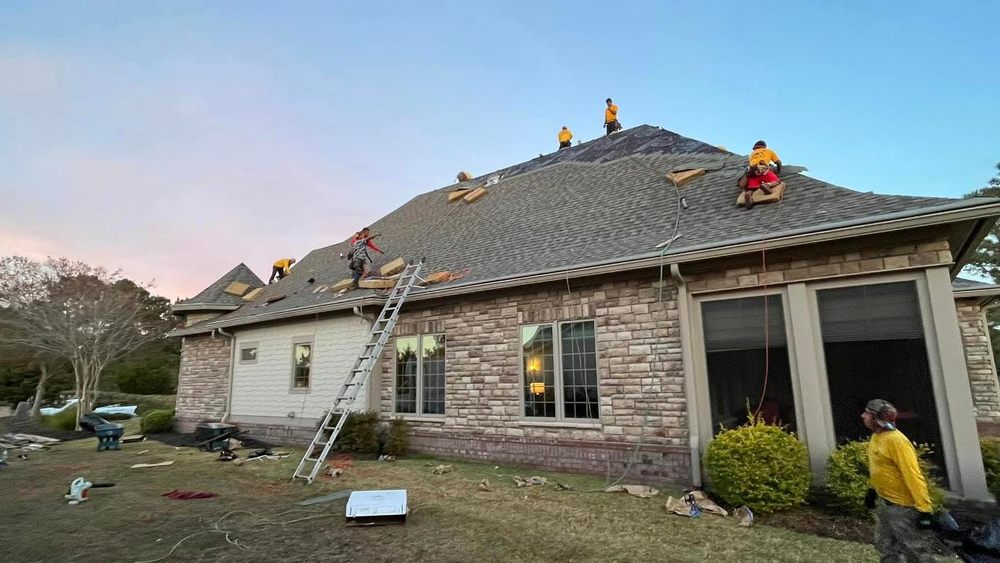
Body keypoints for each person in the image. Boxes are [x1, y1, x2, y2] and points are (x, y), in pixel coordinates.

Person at [862, 399, 936, 562]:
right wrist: (873, 490)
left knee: (915, 551)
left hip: (904, 508)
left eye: (867, 414)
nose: (863, 416)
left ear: (876, 419)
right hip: (886, 503)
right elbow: (880, 470)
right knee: (885, 546)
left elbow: (913, 475)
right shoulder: (876, 436)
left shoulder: (897, 441)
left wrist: (925, 510)